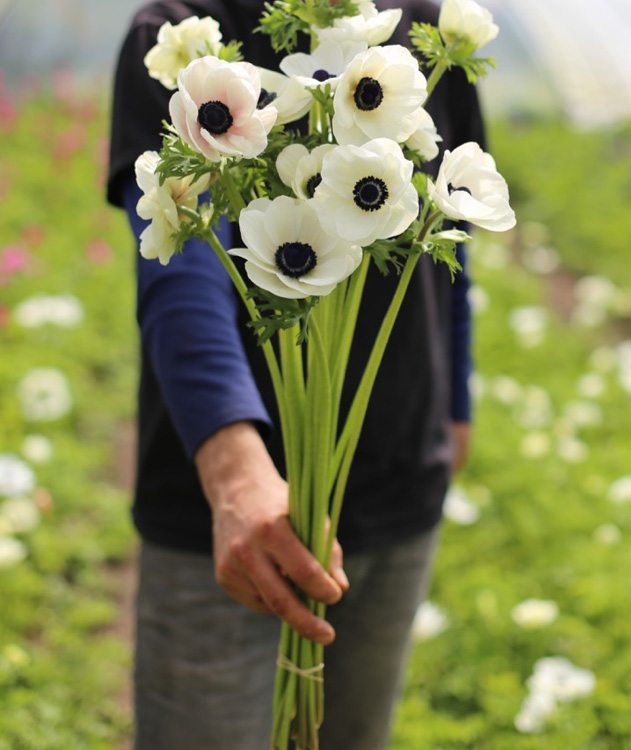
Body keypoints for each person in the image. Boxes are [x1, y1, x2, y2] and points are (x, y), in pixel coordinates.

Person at [107, 0, 485, 747]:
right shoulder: (182, 33)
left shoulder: (429, 30)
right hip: (228, 522)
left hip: (396, 486)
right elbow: (182, 258)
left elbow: (454, 231)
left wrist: (455, 405)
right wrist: (235, 477)